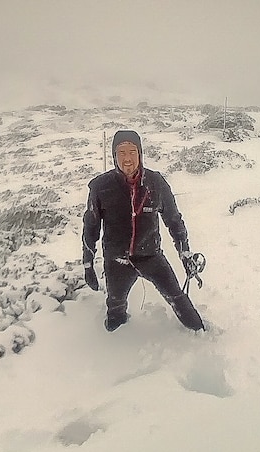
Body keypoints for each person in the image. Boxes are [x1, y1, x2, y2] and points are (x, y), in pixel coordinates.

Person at [82, 130, 205, 332]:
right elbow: (90, 228)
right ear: (114, 156)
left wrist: (185, 253)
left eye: (132, 151)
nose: (127, 158)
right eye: (121, 152)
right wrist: (88, 264)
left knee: (178, 299)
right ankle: (115, 347)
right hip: (116, 261)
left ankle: (201, 335)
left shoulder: (156, 183)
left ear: (140, 154)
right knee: (115, 306)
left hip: (151, 257)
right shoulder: (100, 187)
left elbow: (173, 220)